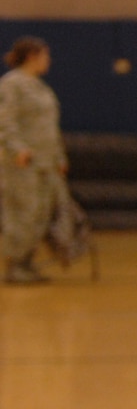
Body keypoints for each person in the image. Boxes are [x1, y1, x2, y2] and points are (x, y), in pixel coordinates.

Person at [1, 38, 65, 285]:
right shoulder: (12, 85)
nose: (48, 61)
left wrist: (59, 156)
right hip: (23, 163)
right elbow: (5, 120)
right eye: (45, 56)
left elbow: (50, 127)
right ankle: (15, 264)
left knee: (41, 213)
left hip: (45, 162)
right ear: (31, 57)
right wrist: (17, 149)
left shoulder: (40, 87)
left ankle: (27, 262)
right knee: (22, 214)